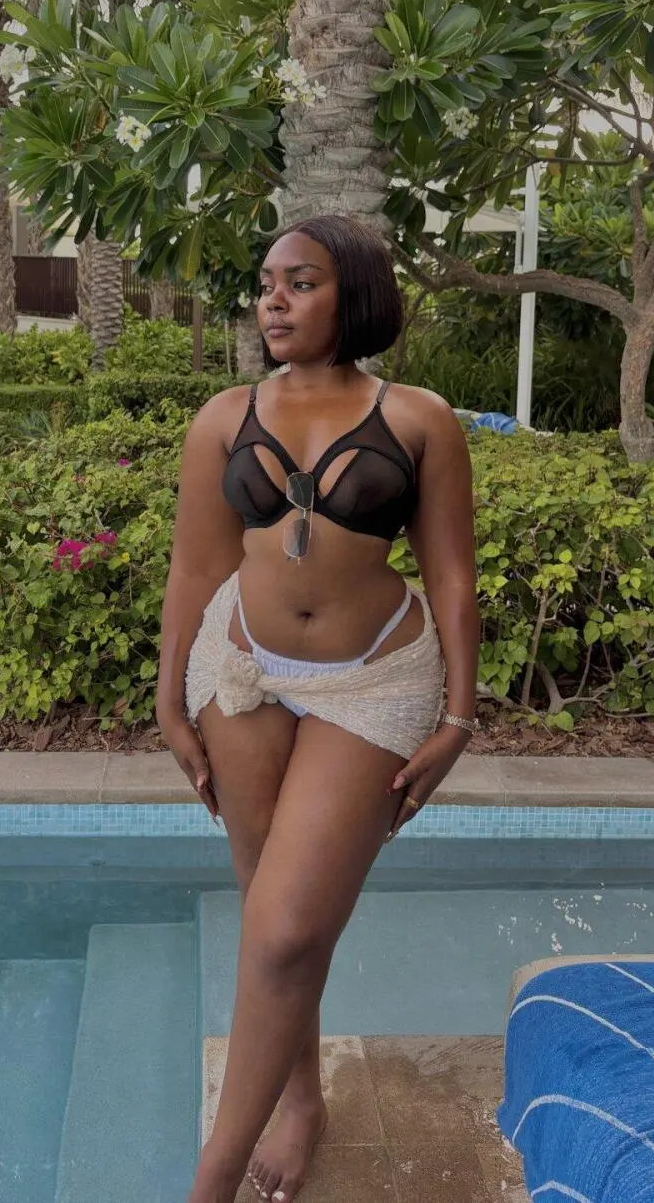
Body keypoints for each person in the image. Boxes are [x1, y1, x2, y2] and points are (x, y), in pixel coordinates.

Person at [156, 214, 479, 1203]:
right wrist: (168, 699)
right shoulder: (224, 416)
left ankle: (210, 1180)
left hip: (374, 681)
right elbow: (196, 566)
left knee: (290, 927)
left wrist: (458, 719)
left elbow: (451, 575)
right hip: (240, 671)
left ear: (356, 295)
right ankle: (298, 1100)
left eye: (300, 282)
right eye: (267, 284)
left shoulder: (418, 418)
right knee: (266, 909)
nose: (274, 300)